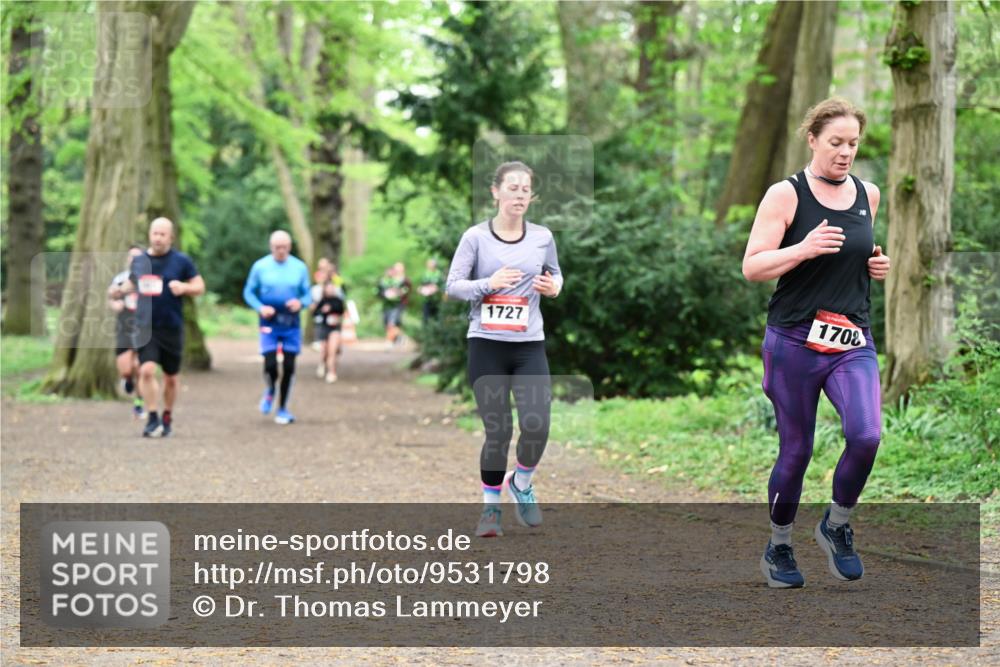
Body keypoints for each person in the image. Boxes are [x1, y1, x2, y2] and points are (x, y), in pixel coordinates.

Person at [742, 98, 891, 588]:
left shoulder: (869, 194)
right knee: (797, 450)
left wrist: (874, 264)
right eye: (836, 143)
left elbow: (859, 250)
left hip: (851, 337)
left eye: (853, 144)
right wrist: (802, 249)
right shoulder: (785, 195)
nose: (845, 152)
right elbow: (753, 266)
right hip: (794, 340)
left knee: (867, 435)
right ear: (812, 140)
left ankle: (837, 525)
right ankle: (779, 545)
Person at [446, 161, 563, 537]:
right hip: (486, 345)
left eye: (525, 189)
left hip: (528, 345)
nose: (519, 195)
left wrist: (554, 288)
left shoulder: (542, 236)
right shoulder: (476, 238)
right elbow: (453, 285)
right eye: (512, 188)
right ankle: (491, 510)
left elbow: (555, 274)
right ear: (495, 192)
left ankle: (522, 483)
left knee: (537, 424)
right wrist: (488, 283)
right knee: (498, 430)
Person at [126, 217, 205, 438]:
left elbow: (200, 286)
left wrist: (184, 287)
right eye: (155, 233)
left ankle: (167, 415)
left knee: (171, 377)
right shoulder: (140, 261)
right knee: (147, 370)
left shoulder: (182, 261)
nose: (158, 238)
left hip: (171, 327)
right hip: (145, 326)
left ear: (170, 237)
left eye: (163, 234)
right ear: (150, 235)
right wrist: (118, 290)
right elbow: (132, 283)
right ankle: (152, 417)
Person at [243, 230, 312, 425]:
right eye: (276, 247)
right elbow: (249, 292)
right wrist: (260, 307)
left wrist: (301, 303)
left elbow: (308, 294)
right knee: (271, 364)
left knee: (289, 367)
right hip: (269, 322)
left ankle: (282, 408)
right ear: (270, 247)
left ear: (289, 247)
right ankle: (270, 389)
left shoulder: (299, 267)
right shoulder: (260, 266)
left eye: (284, 247)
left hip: (291, 323)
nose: (280, 251)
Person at [108, 245, 145, 419]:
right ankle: (127, 379)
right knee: (126, 369)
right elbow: (111, 296)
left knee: (140, 366)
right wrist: (115, 304)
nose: (134, 260)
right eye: (131, 256)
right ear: (127, 259)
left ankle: (139, 403)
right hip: (124, 326)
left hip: (143, 327)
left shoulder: (147, 278)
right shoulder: (120, 278)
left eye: (138, 257)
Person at [313, 280, 347, 383]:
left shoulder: (338, 300)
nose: (330, 289)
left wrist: (333, 312)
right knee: (325, 351)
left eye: (332, 287)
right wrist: (322, 311)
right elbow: (315, 313)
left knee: (333, 351)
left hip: (335, 328)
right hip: (324, 328)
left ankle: (332, 372)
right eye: (328, 287)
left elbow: (342, 311)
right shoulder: (322, 301)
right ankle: (322, 363)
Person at [377, 262, 411, 344]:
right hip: (387, 305)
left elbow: (406, 289)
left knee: (392, 323)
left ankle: (389, 341)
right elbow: (380, 291)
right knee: (390, 323)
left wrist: (397, 293)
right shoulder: (387, 279)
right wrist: (385, 294)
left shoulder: (403, 279)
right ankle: (401, 338)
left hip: (398, 304)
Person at [418, 258, 445, 326]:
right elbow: (421, 285)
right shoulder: (425, 273)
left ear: (434, 264)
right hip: (427, 299)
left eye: (430, 264)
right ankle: (425, 332)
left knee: (436, 317)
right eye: (428, 264)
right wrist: (420, 289)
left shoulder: (439, 274)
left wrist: (437, 288)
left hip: (436, 299)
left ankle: (435, 332)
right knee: (426, 317)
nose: (429, 265)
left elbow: (443, 286)